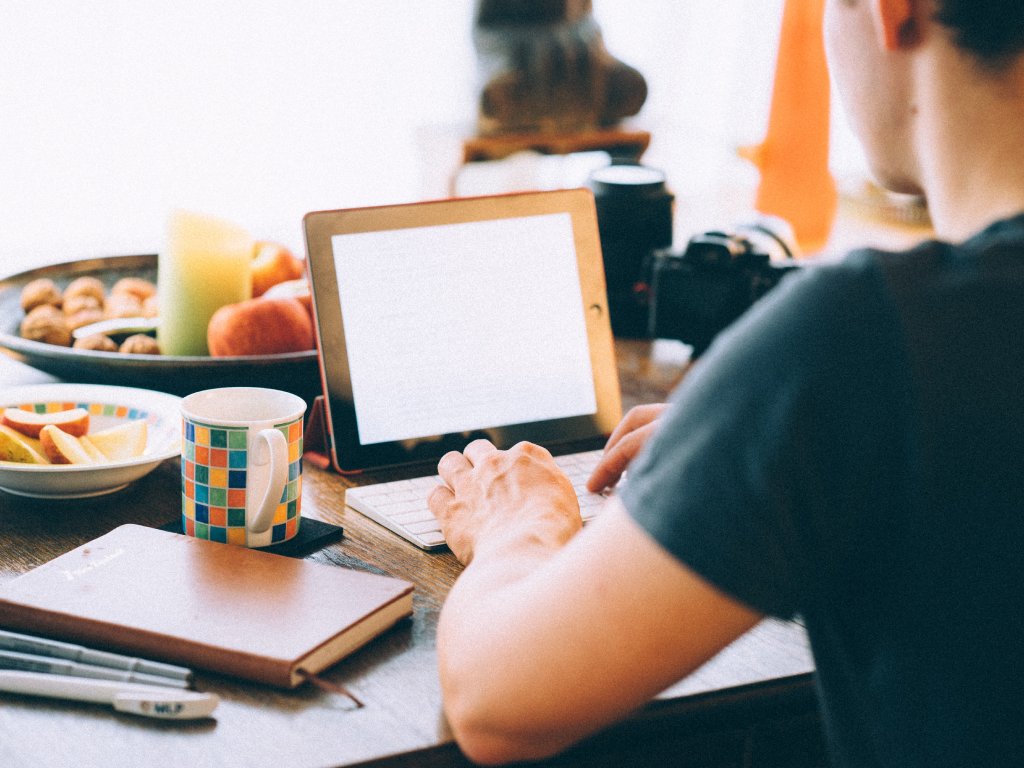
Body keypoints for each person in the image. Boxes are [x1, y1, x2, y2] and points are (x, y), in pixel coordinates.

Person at [428, 1, 1024, 765]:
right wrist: (747, 432)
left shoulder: (863, 339)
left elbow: (494, 702)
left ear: (889, 12)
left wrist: (520, 522)